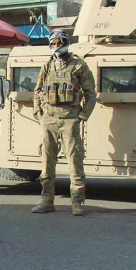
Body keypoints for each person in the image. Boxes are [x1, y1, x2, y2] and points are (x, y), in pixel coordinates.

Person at [31, 29, 97, 216]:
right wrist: (39, 112)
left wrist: (83, 115)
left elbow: (91, 94)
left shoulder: (78, 66)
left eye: (60, 42)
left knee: (75, 161)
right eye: (53, 43)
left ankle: (77, 202)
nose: (57, 46)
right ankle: (47, 200)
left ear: (66, 43)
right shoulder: (47, 66)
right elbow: (37, 91)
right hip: (49, 119)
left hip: (70, 119)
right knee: (47, 161)